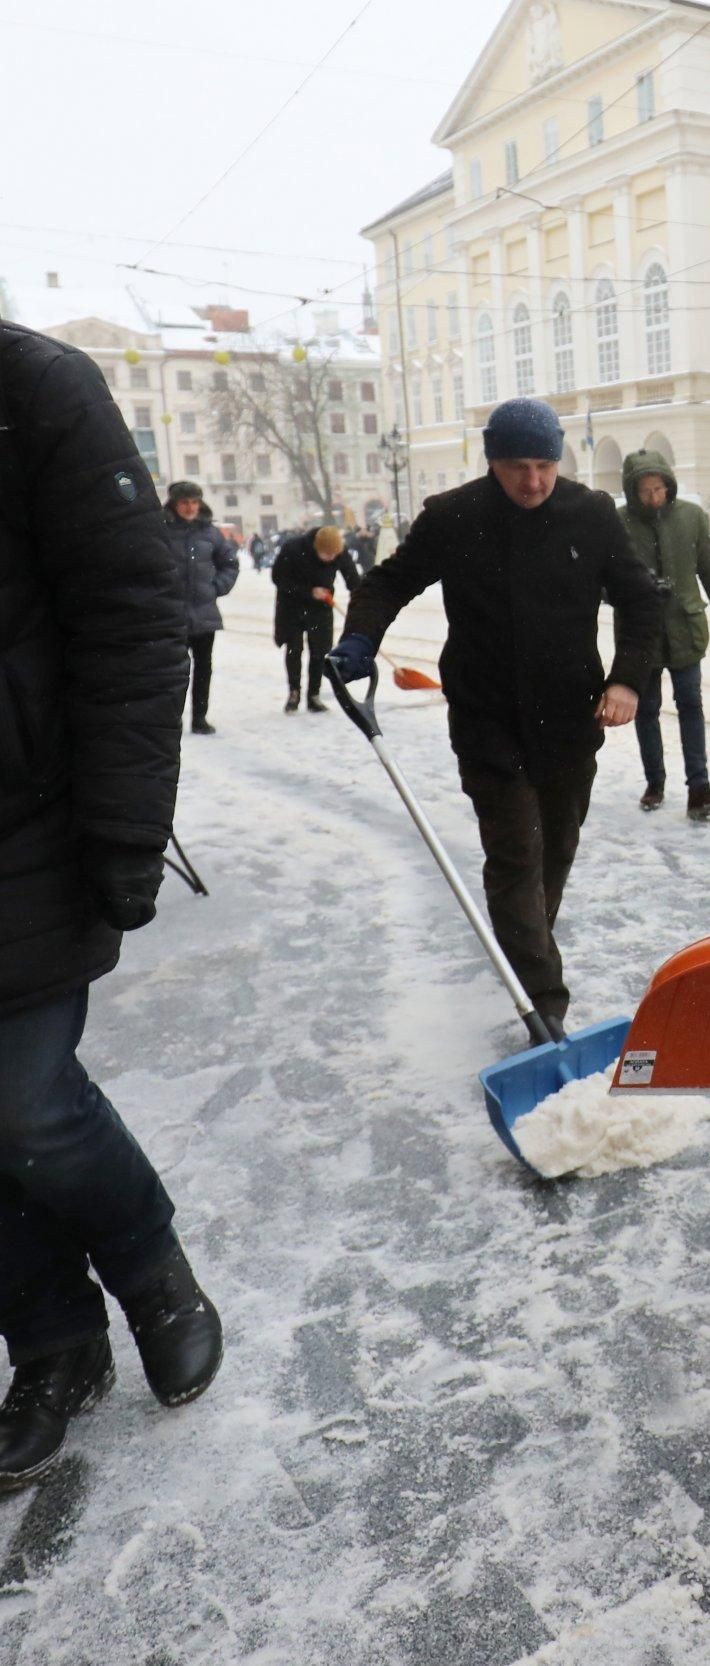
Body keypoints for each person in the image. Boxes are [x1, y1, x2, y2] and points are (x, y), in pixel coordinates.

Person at [1, 317, 225, 1491]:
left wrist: (130, 826)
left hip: (26, 821)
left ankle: (151, 1271)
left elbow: (134, 616)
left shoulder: (37, 388)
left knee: (26, 1100)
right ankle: (52, 1343)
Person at [333, 398, 663, 1035]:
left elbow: (641, 600)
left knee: (555, 850)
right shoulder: (454, 517)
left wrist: (626, 679)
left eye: (545, 466)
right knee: (515, 853)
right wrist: (360, 638)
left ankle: (527, 948)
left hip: (569, 716)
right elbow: (390, 581)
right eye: (518, 467)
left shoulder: (590, 514)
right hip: (486, 716)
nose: (533, 481)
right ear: (492, 462)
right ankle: (544, 1006)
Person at [620, 450, 710, 820]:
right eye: (645, 491)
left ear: (668, 485)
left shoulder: (691, 517)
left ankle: (699, 788)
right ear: (632, 492)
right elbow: (603, 581)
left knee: (691, 705)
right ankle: (654, 782)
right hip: (641, 637)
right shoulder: (619, 524)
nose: (654, 497)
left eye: (659, 489)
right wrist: (636, 588)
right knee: (647, 710)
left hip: (685, 630)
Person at [162, 481, 238, 735]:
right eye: (184, 502)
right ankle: (171, 718)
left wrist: (216, 587)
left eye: (194, 502)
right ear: (174, 504)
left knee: (204, 668)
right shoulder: (161, 531)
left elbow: (229, 563)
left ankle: (199, 717)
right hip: (172, 616)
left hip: (205, 615)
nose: (190, 507)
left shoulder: (210, 532)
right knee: (173, 672)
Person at [270, 524, 359, 714]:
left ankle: (314, 696)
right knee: (294, 649)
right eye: (327, 554)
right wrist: (309, 591)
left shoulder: (338, 551)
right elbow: (278, 578)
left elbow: (352, 578)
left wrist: (361, 600)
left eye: (334, 555)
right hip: (292, 606)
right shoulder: (293, 548)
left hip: (320, 608)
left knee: (320, 651)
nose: (331, 558)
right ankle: (294, 692)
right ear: (316, 547)